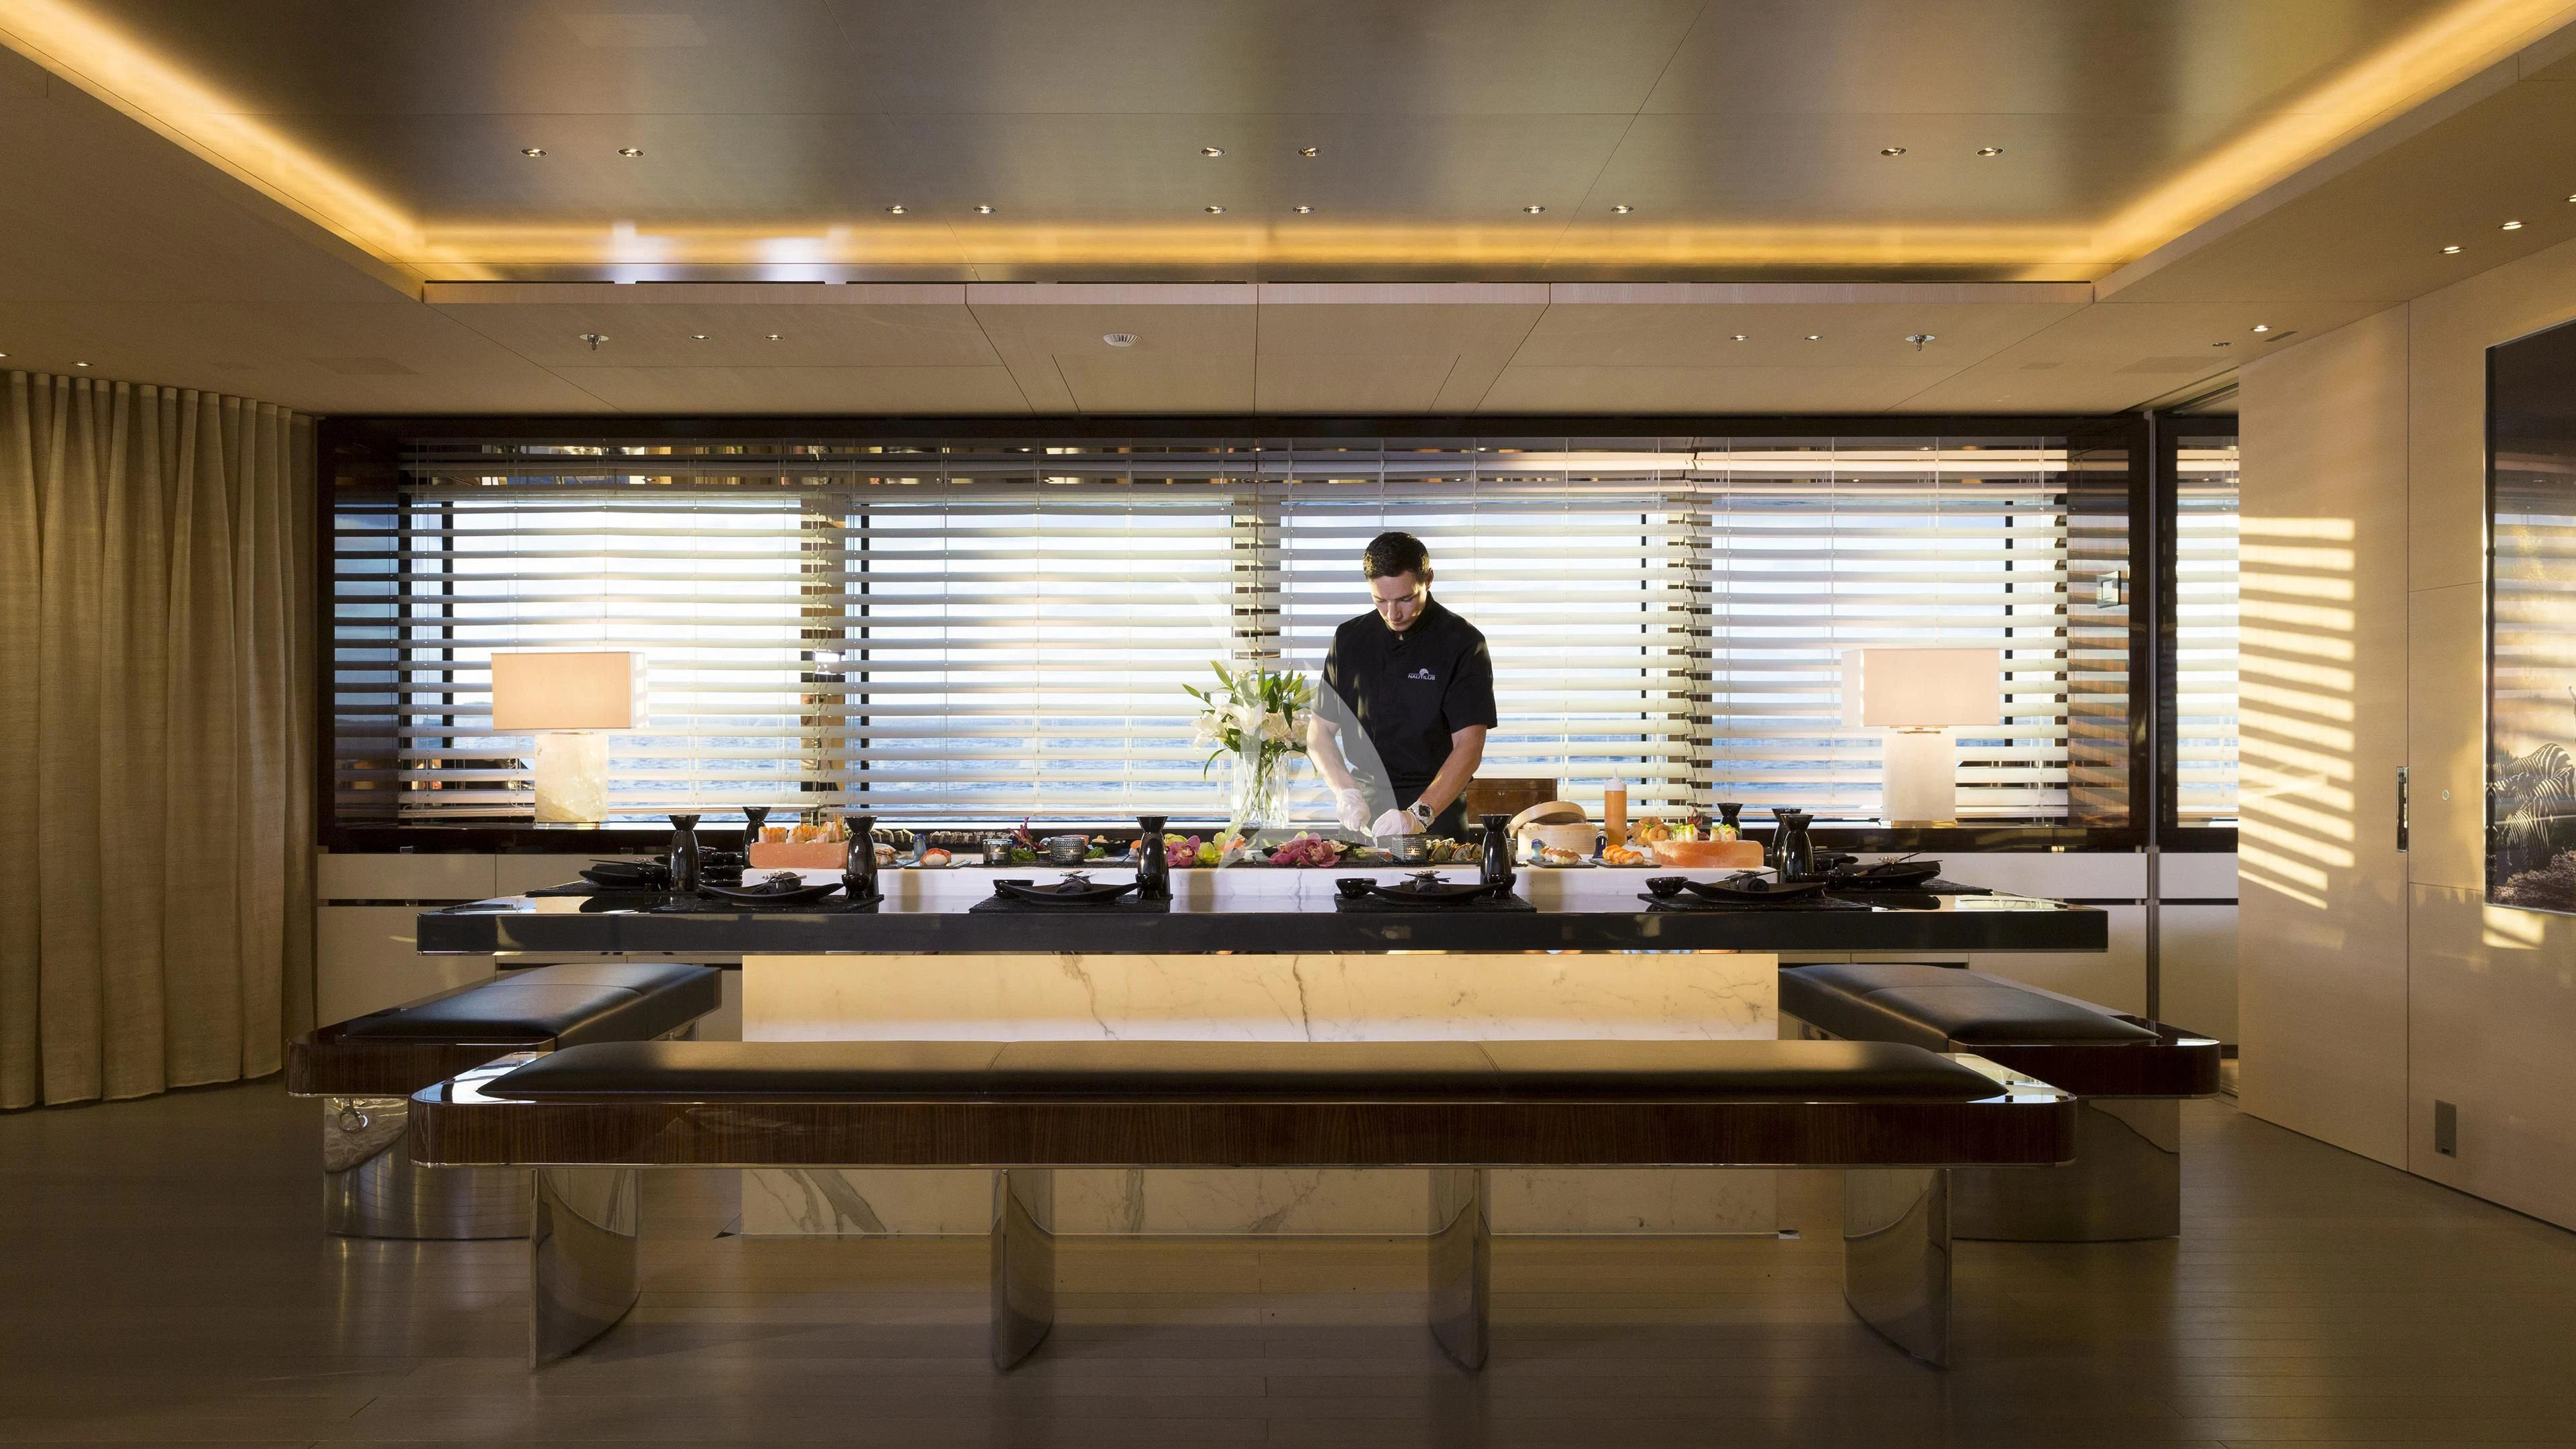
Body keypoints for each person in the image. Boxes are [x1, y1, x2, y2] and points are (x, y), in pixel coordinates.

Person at [1307, 531, 1495, 839]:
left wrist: (1419, 814)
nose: (1393, 614)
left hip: (1437, 813)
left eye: (1406, 599)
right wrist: (1346, 793)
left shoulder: (1463, 643)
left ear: (1429, 579)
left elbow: (1469, 748)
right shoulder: (1349, 639)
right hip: (1364, 816)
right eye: (1381, 600)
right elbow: (1319, 733)